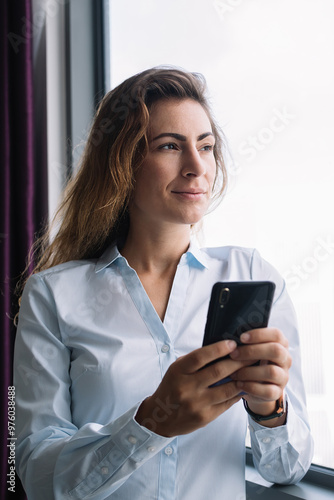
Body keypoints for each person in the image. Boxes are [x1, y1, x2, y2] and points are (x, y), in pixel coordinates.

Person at [14, 67, 313, 500]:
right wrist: (152, 422)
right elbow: (37, 475)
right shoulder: (53, 296)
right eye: (170, 146)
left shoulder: (251, 275)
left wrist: (269, 411)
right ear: (122, 163)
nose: (197, 167)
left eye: (206, 146)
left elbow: (289, 467)